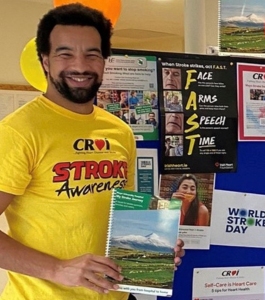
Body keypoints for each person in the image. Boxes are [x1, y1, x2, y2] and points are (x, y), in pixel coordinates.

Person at [0, 4, 184, 299]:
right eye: (65, 54)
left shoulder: (120, 131)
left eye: (92, 54)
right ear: (45, 61)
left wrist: (157, 244)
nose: (81, 65)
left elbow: (124, 214)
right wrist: (57, 269)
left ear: (103, 62)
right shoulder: (19, 132)